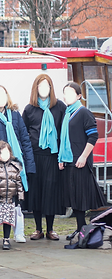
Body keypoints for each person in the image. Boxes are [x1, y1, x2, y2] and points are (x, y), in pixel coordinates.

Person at [0, 84, 36, 243]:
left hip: (15, 163)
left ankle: (18, 232)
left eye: (4, 94)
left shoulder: (15, 115)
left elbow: (25, 140)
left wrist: (30, 164)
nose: (1, 98)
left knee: (16, 199)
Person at [58, 82, 106, 240]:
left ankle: (84, 230)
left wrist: (84, 156)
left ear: (79, 95)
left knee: (81, 197)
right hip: (69, 161)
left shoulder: (83, 112)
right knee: (73, 198)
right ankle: (80, 229)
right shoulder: (67, 113)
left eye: (71, 93)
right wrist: (61, 158)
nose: (67, 96)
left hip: (80, 161)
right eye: (65, 93)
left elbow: (93, 136)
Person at [22, 75, 67, 241]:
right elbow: (23, 133)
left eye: (47, 86)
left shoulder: (59, 107)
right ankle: (38, 229)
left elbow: (64, 132)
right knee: (36, 192)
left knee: (50, 191)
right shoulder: (29, 109)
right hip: (35, 156)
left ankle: (50, 229)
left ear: (51, 88)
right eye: (40, 86)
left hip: (53, 156)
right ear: (36, 89)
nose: (44, 89)